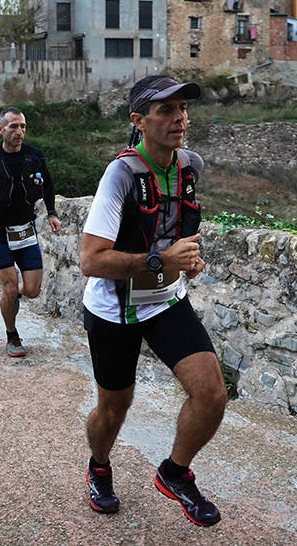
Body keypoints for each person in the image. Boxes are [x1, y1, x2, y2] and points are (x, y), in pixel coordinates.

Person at [78, 75, 227, 527]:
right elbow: (90, 259)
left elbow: (176, 232)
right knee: (113, 408)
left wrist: (189, 260)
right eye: (166, 110)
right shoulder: (121, 173)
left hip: (164, 300)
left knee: (212, 394)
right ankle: (99, 467)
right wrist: (164, 260)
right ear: (139, 121)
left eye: (182, 108)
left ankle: (175, 473)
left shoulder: (190, 166)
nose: (179, 118)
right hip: (113, 310)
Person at [0, 106, 61, 357]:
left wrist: (51, 213)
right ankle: (12, 335)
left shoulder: (35, 157)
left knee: (32, 290)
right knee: (8, 288)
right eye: (14, 126)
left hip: (27, 231)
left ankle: (12, 294)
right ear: (1, 129)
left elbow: (48, 185)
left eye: (23, 126)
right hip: (0, 232)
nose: (20, 132)